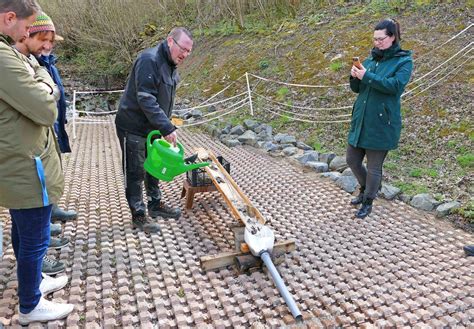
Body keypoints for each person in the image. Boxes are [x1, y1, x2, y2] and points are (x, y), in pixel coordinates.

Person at [0, 1, 74, 324]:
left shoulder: (13, 55)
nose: (28, 35)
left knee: (23, 231)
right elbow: (46, 109)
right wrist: (48, 84)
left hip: (23, 161)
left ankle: (33, 284)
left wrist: (44, 83)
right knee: (35, 237)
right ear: (9, 18)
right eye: (28, 28)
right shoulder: (4, 58)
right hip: (25, 164)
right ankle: (30, 304)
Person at [115, 27, 193, 233]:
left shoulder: (171, 64)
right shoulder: (149, 60)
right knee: (135, 170)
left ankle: (155, 204)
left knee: (155, 166)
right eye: (182, 49)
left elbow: (164, 99)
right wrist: (166, 126)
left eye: (188, 52)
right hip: (133, 125)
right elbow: (146, 98)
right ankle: (139, 215)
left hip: (153, 127)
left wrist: (163, 124)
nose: (185, 54)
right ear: (170, 41)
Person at [15, 12, 70, 275]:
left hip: (48, 134)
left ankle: (43, 241)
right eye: (43, 39)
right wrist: (50, 91)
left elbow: (54, 96)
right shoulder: (21, 64)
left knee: (34, 218)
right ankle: (33, 282)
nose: (48, 46)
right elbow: (45, 105)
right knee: (29, 225)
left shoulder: (41, 60)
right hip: (28, 154)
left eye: (51, 41)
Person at [347, 19, 413, 219]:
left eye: (381, 39)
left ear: (392, 37)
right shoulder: (370, 60)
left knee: (375, 166)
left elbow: (394, 86)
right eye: (375, 39)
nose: (377, 43)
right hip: (361, 119)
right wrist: (354, 76)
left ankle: (368, 201)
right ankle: (369, 188)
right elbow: (357, 89)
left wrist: (366, 76)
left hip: (383, 122)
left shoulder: (404, 61)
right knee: (352, 160)